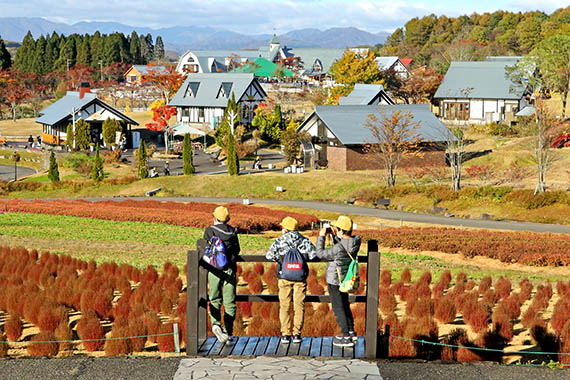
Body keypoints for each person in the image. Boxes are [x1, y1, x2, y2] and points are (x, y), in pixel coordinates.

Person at [266, 217, 316, 344]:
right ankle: (297, 334)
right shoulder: (304, 241)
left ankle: (285, 334)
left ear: (285, 229)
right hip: (300, 278)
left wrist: (281, 259)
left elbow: (269, 255)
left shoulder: (280, 241)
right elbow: (313, 255)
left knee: (284, 306)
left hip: (284, 277)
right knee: (299, 306)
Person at [316, 215, 361, 348]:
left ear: (341, 230)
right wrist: (334, 236)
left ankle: (346, 337)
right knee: (345, 305)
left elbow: (320, 253)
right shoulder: (355, 242)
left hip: (335, 280)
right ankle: (351, 332)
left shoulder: (339, 247)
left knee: (338, 308)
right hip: (345, 279)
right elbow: (342, 246)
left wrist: (321, 236)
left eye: (337, 228)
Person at [204, 206, 241, 343]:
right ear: (227, 219)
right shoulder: (233, 231)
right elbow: (237, 250)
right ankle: (228, 331)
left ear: (214, 217)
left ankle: (216, 324)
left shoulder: (209, 231)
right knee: (230, 301)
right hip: (230, 269)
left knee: (214, 297)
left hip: (214, 269)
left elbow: (205, 249)